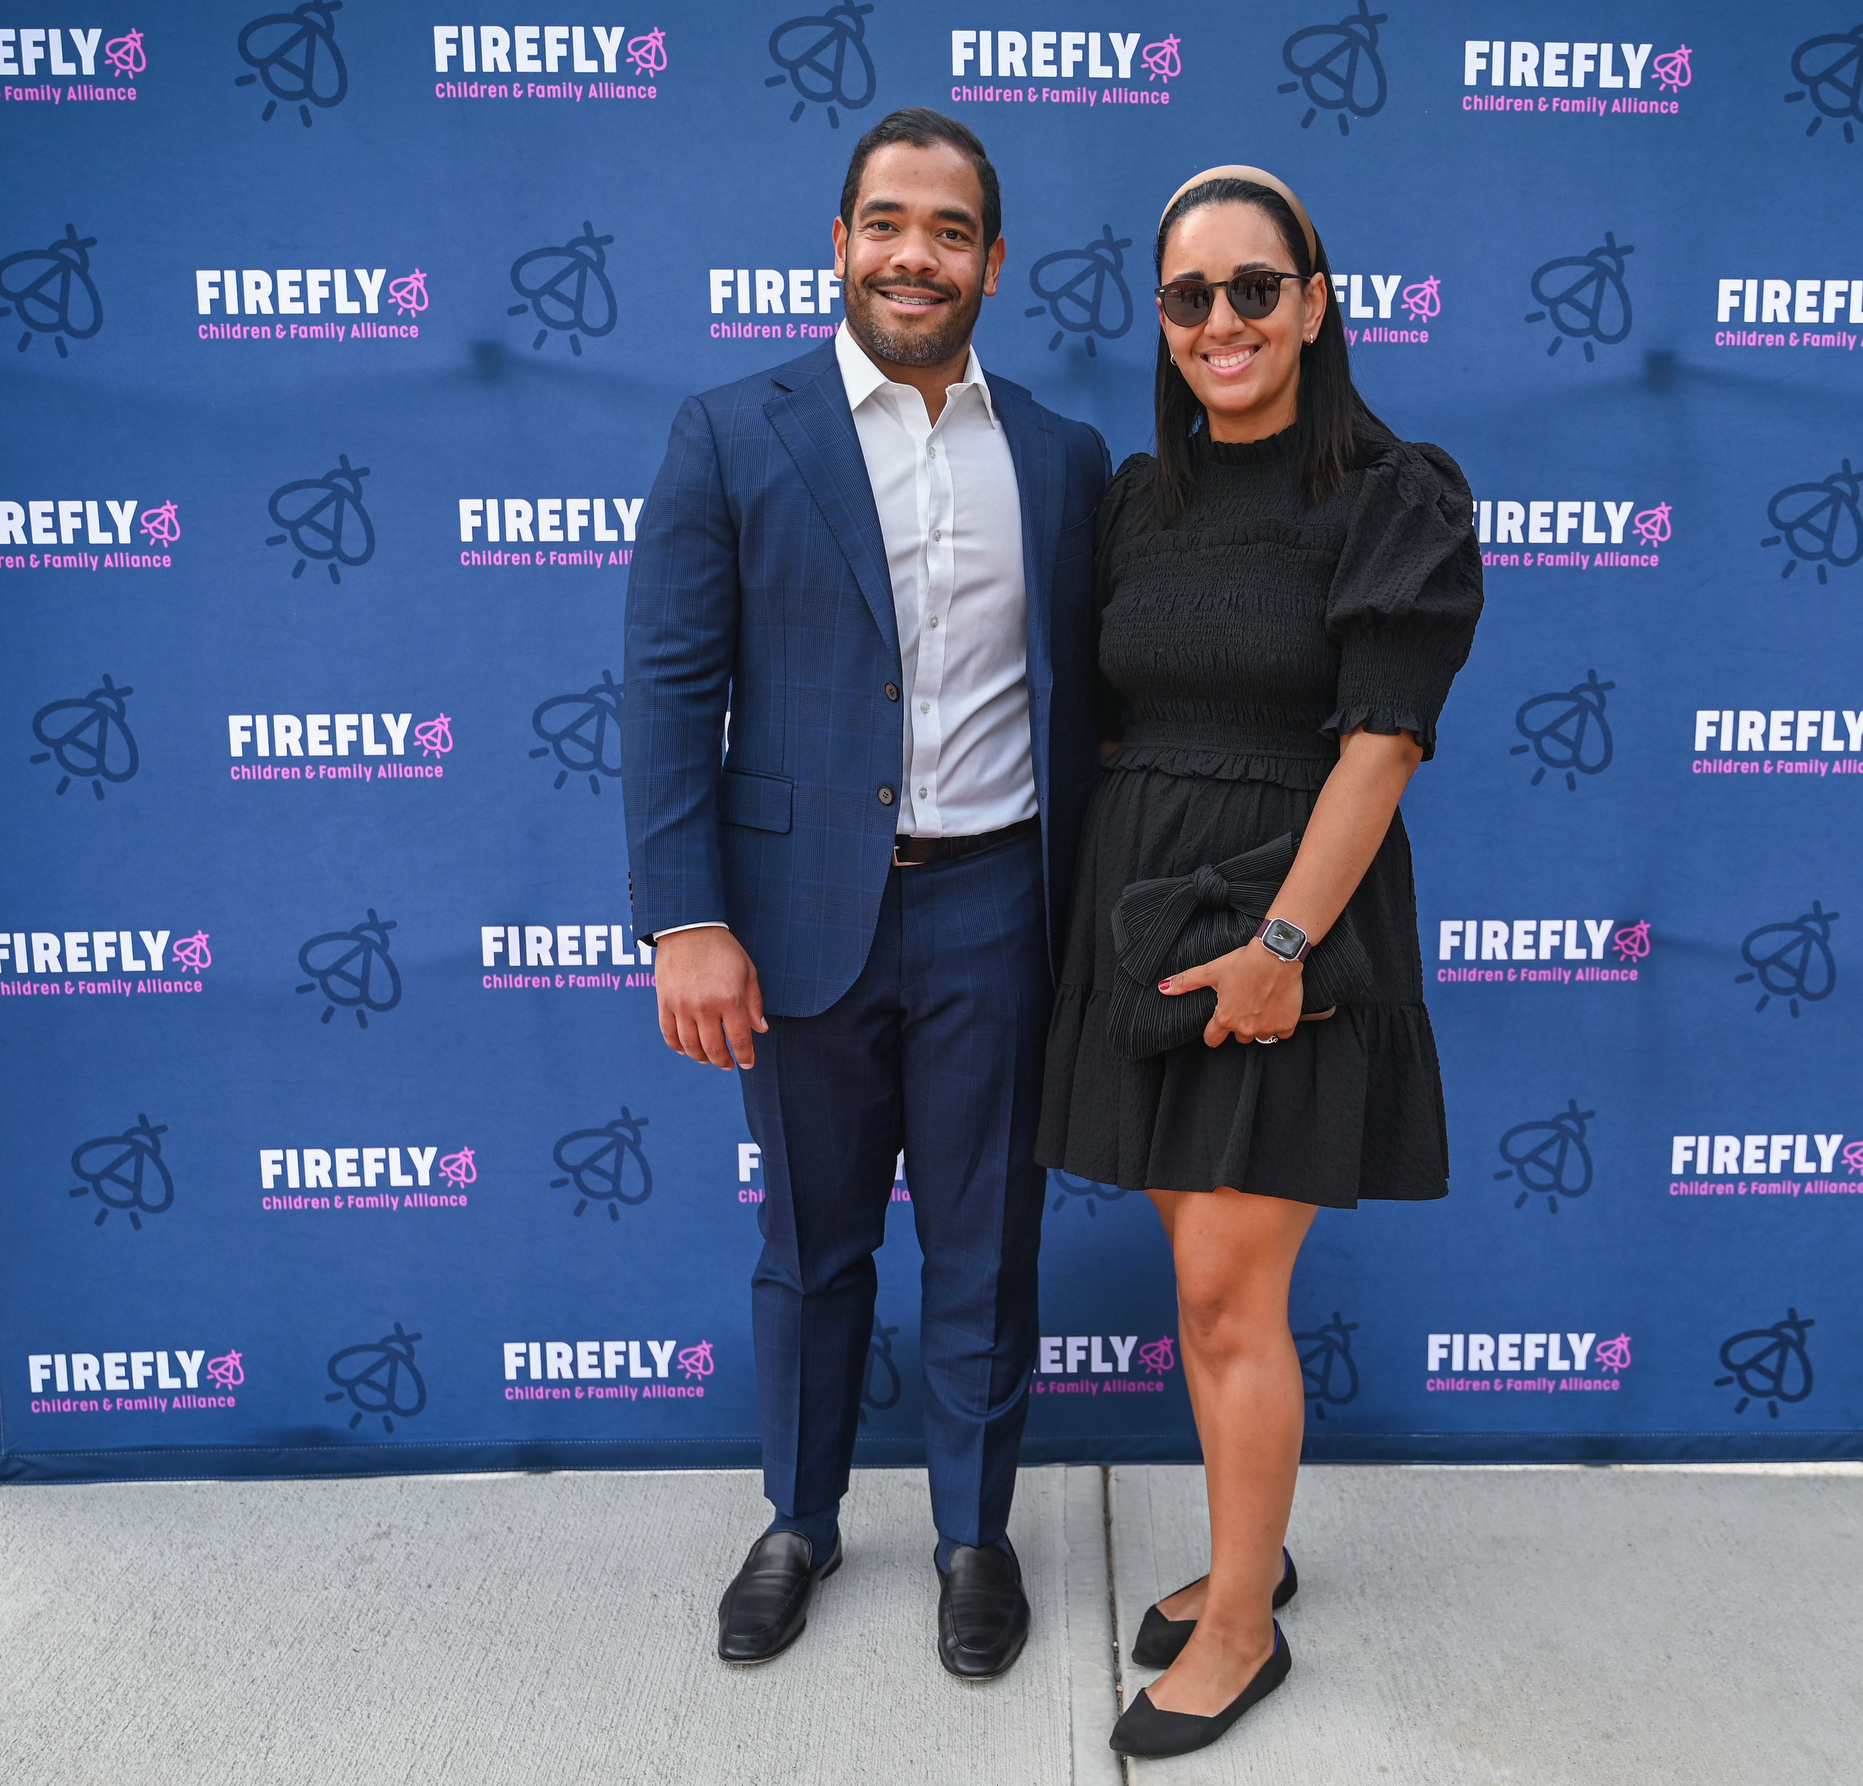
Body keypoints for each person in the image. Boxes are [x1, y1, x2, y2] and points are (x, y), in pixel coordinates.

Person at [622, 107, 1111, 1678]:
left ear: (993, 262)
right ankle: (800, 1519)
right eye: (887, 223)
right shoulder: (730, 431)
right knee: (811, 1246)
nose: (917, 254)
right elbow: (668, 688)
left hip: (999, 912)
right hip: (793, 921)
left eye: (950, 230)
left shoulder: (1062, 456)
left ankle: (975, 1536)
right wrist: (686, 915)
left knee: (985, 1248)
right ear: (839, 243)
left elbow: (1092, 703)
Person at [1037, 167, 1482, 1757]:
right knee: (1203, 1279)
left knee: (1230, 1293)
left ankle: (1241, 1627)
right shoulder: (1137, 502)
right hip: (1150, 924)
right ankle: (1253, 1550)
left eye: (1252, 287)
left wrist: (1282, 945)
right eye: (1188, 295)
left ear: (1313, 301)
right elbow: (1112, 719)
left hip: (1292, 929)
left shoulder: (1393, 494)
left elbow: (1383, 744)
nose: (1219, 320)